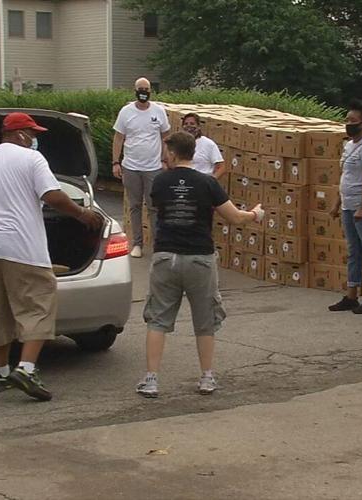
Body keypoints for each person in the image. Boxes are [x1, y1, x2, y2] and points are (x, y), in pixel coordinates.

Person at [0, 112, 103, 401]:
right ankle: (26, 369)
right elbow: (51, 195)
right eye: (33, 133)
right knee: (38, 303)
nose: (36, 139)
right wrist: (82, 214)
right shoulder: (32, 159)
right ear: (20, 134)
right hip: (23, 245)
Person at [135, 131, 264, 398]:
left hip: (165, 257)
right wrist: (255, 214)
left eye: (165, 152)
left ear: (172, 153)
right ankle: (206, 378)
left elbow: (159, 207)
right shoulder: (207, 183)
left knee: (158, 319)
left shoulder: (159, 182)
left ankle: (151, 380)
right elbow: (235, 218)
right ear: (193, 152)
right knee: (205, 320)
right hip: (199, 258)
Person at [327, 99, 362, 314]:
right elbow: (345, 176)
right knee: (353, 251)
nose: (349, 123)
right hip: (348, 205)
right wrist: (336, 204)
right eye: (347, 120)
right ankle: (351, 294)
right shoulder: (348, 145)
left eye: (354, 120)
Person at [112, 77, 171, 258]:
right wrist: (115, 162)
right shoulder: (126, 112)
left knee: (154, 206)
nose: (143, 91)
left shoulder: (159, 111)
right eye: (140, 89)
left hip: (153, 167)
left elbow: (166, 136)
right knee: (135, 206)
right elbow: (119, 138)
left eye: (146, 88)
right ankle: (137, 244)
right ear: (135, 90)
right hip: (131, 166)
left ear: (151, 91)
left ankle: (157, 244)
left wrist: (165, 159)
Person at [181, 113, 227, 178]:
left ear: (199, 126)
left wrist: (211, 181)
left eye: (192, 124)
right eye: (186, 124)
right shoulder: (178, 143)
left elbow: (221, 167)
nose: (189, 126)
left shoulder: (208, 144)